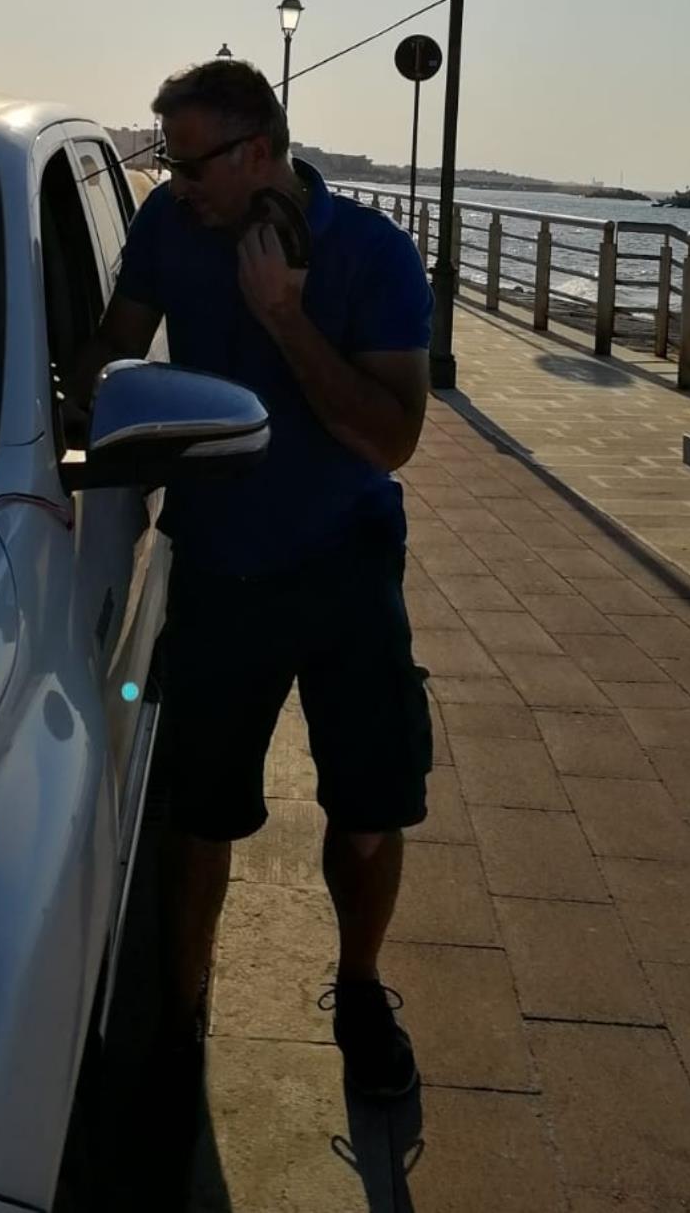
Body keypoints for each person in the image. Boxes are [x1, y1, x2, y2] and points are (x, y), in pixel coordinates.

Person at [74, 59, 433, 1100]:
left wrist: (283, 317)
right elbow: (116, 343)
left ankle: (358, 990)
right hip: (220, 565)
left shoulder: (374, 255)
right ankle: (180, 1019)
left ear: (261, 152)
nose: (176, 184)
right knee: (199, 816)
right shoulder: (169, 227)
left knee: (369, 809)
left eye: (191, 165)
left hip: (346, 564)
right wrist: (80, 404)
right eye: (168, 161)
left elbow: (393, 437)